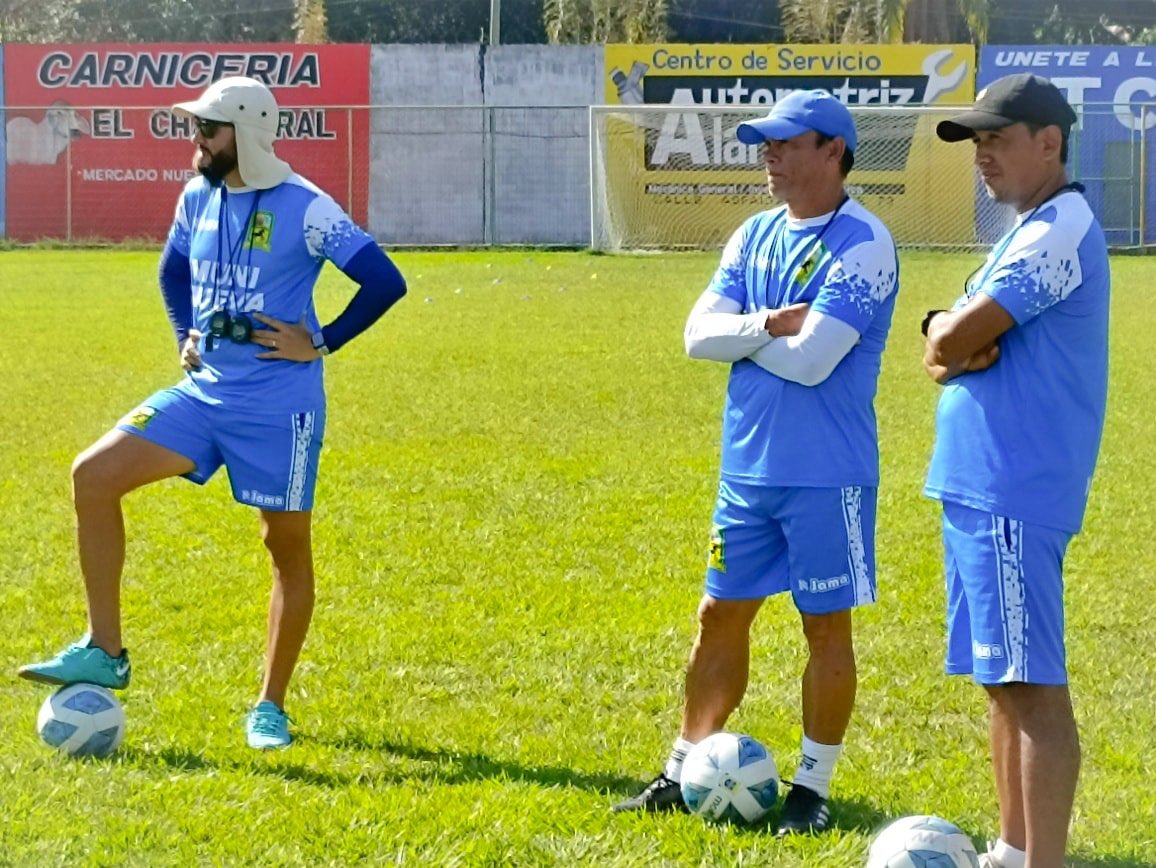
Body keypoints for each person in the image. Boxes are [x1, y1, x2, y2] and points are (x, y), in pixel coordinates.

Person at [18, 76, 407, 750]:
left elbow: (384, 280)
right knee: (93, 474)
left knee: (284, 549)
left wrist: (319, 340)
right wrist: (184, 334)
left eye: (207, 129)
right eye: (194, 127)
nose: (193, 139)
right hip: (202, 397)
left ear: (246, 134)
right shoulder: (197, 195)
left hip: (278, 410)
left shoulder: (307, 207)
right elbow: (173, 273)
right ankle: (104, 648)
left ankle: (270, 708)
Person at [612, 90, 899, 836]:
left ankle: (812, 789)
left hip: (825, 474)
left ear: (833, 150)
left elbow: (814, 364)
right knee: (717, 616)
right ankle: (683, 768)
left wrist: (738, 337)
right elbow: (694, 337)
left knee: (825, 629)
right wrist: (768, 323)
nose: (767, 154)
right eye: (763, 142)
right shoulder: (753, 235)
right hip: (746, 470)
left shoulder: (863, 243)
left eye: (785, 141)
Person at [922, 73, 1109, 868]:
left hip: (1013, 486)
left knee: (1032, 685)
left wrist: (947, 339)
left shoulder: (1058, 228)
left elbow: (957, 340)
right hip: (979, 483)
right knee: (1003, 680)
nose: (983, 157)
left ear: (1050, 143)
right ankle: (1010, 848)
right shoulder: (1029, 227)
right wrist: (946, 335)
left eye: (996, 140)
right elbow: (947, 336)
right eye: (976, 143)